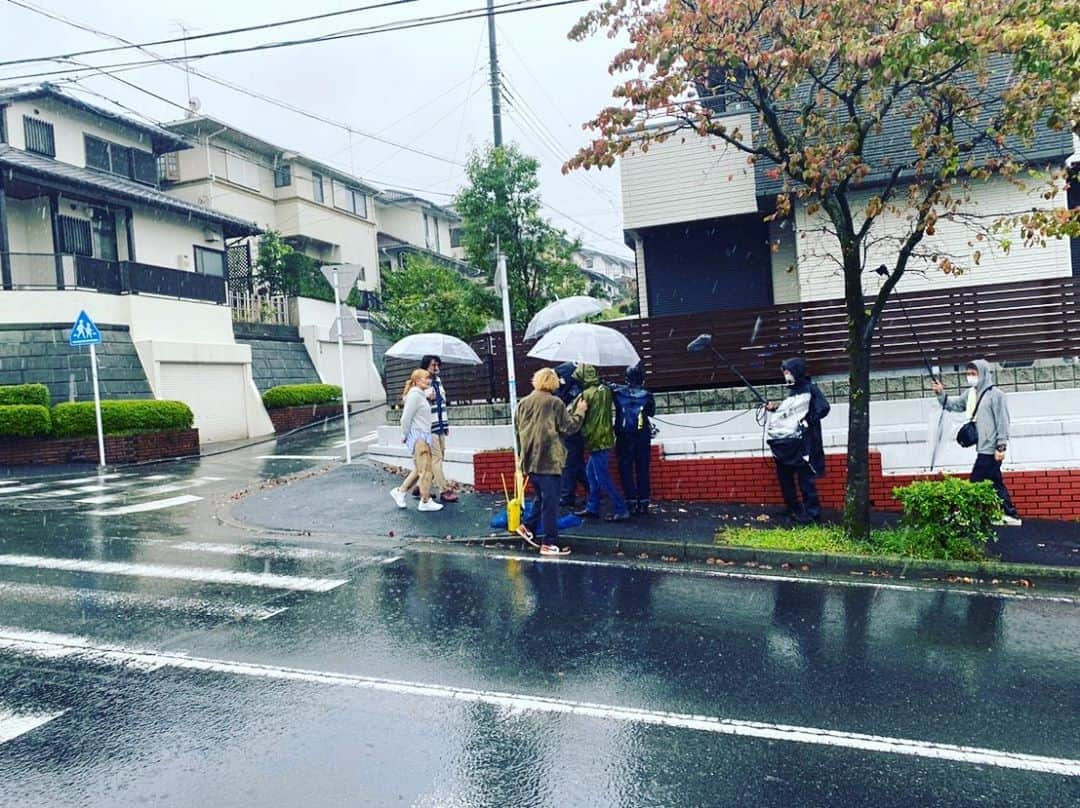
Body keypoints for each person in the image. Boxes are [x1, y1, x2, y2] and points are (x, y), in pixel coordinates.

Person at [931, 359, 1021, 526]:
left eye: (974, 374)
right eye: (968, 374)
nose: (970, 377)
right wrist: (940, 393)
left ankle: (965, 513)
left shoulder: (996, 395)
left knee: (976, 481)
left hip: (991, 447)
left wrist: (1001, 446)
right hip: (982, 446)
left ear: (984, 374)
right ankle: (1011, 515)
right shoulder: (971, 393)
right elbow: (954, 405)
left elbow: (1003, 421)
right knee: (995, 482)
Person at [515, 367, 588, 556]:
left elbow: (518, 431)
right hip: (548, 459)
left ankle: (527, 527)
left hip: (530, 460)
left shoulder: (523, 403)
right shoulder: (555, 403)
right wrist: (580, 412)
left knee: (541, 498)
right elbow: (568, 427)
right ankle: (549, 543)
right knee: (551, 504)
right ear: (552, 382)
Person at [765, 357, 831, 523]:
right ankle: (792, 507)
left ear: (796, 371)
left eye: (787, 371)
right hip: (786, 443)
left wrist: (808, 420)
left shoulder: (810, 389)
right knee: (785, 478)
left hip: (804, 444)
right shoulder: (792, 393)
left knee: (805, 480)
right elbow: (791, 412)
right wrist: (777, 409)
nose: (786, 375)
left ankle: (812, 513)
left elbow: (824, 408)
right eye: (784, 372)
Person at [572, 364, 631, 522]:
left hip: (594, 438)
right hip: (606, 436)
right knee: (591, 473)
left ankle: (621, 508)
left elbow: (572, 414)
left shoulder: (585, 395)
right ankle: (592, 506)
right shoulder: (605, 390)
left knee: (602, 477)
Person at [391, 369, 444, 512]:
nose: (429, 381)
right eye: (425, 378)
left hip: (422, 435)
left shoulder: (419, 395)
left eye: (429, 378)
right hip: (418, 436)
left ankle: (400, 492)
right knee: (426, 470)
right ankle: (425, 501)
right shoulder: (414, 396)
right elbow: (405, 418)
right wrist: (405, 435)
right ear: (417, 381)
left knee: (419, 469)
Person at [613, 364, 656, 515]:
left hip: (624, 436)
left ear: (626, 378)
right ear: (642, 379)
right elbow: (651, 413)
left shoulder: (617, 393)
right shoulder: (648, 395)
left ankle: (630, 501)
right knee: (642, 470)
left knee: (625, 470)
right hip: (642, 436)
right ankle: (643, 502)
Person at [418, 354, 458, 503]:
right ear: (426, 366)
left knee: (441, 455)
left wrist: (445, 424)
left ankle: (421, 486)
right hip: (429, 427)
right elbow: (413, 401)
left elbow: (443, 405)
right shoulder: (423, 383)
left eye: (438, 365)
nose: (436, 368)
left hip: (440, 425)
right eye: (433, 365)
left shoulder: (438, 381)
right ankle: (444, 490)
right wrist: (425, 396)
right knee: (437, 458)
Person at [554, 361, 587, 506]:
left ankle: (568, 495)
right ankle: (591, 490)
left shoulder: (569, 390)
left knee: (570, 463)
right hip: (576, 431)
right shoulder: (577, 386)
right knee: (576, 464)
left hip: (572, 431)